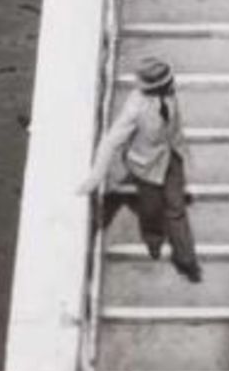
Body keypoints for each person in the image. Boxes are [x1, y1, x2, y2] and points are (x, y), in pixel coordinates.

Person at [78, 57, 202, 282]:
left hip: (171, 157)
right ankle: (153, 238)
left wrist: (184, 155)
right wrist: (95, 177)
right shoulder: (134, 109)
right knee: (151, 209)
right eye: (166, 82)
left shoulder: (170, 93)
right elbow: (111, 141)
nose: (171, 84)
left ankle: (186, 259)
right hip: (145, 165)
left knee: (176, 209)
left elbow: (174, 127)